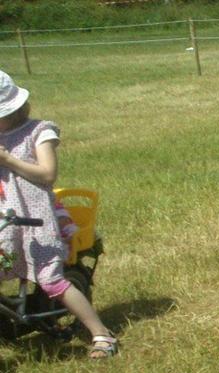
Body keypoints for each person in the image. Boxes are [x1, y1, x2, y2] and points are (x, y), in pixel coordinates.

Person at [0, 70, 117, 358]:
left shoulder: (39, 132)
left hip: (36, 222)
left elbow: (48, 174)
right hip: (6, 223)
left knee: (51, 280)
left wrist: (8, 159)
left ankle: (101, 333)